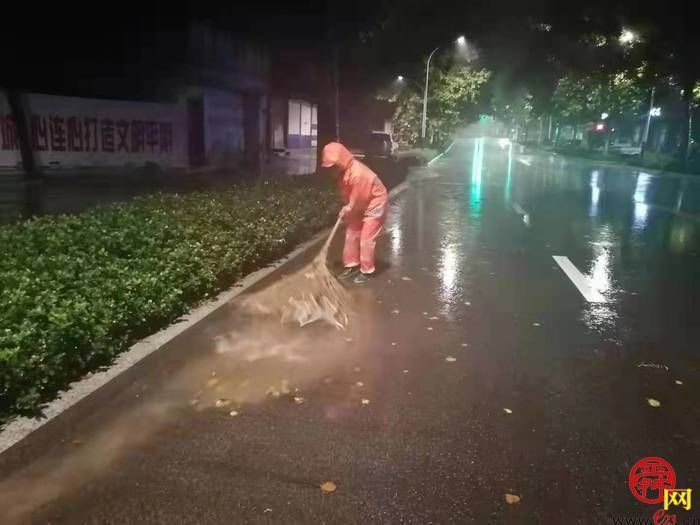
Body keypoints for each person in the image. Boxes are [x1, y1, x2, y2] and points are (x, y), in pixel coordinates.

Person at [321, 141, 388, 284]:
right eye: (330, 167)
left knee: (366, 237)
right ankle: (352, 264)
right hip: (360, 202)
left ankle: (367, 270)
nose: (331, 170)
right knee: (351, 233)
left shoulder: (357, 174)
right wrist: (348, 207)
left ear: (341, 161)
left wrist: (348, 209)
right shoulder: (343, 173)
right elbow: (350, 197)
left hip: (376, 201)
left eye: (334, 166)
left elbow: (358, 201)